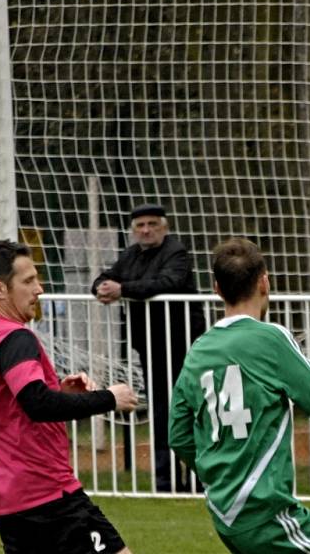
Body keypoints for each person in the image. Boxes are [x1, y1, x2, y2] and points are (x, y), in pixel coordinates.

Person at [169, 238, 310, 554]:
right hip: (263, 508)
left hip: (223, 507)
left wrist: (219, 473)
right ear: (264, 282)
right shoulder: (270, 339)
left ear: (217, 288)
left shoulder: (198, 351)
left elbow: (179, 437)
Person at [0, 240, 138, 553]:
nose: (40, 289)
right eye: (28, 281)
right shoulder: (14, 337)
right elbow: (37, 404)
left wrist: (58, 388)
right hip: (47, 495)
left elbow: (11, 404)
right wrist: (109, 398)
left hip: (12, 500)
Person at [91, 203, 204, 491]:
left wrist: (124, 289)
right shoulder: (130, 255)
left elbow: (168, 282)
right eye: (140, 225)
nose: (146, 230)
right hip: (150, 346)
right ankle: (164, 481)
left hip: (184, 345)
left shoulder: (176, 252)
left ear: (164, 227)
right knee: (160, 412)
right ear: (133, 230)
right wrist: (101, 287)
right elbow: (107, 277)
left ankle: (196, 479)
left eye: (152, 224)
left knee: (190, 410)